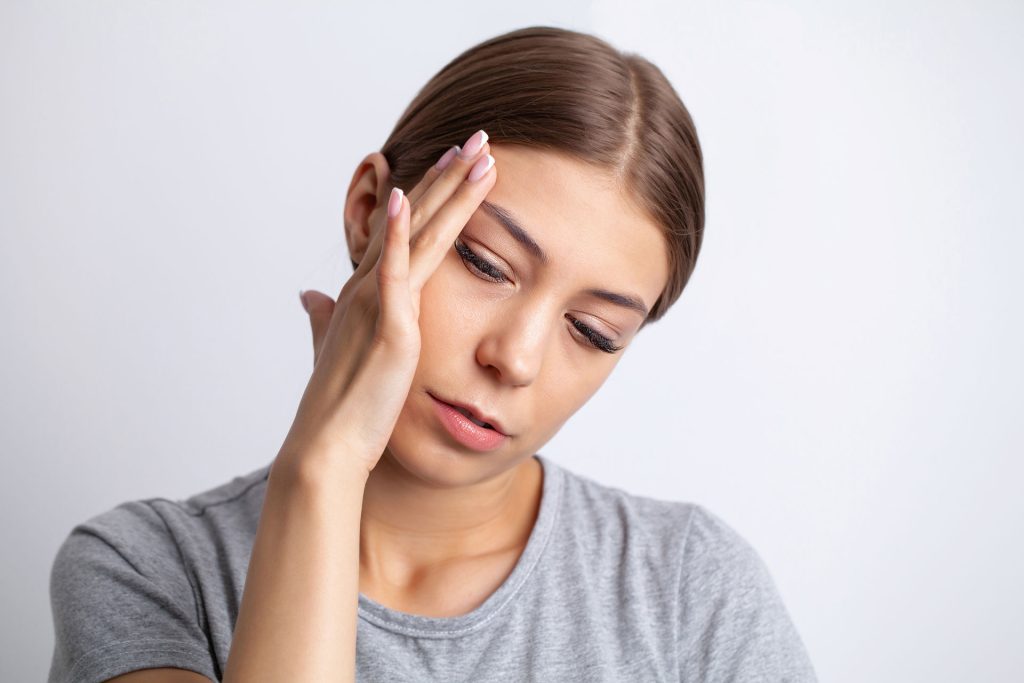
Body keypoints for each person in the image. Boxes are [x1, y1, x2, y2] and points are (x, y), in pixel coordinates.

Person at [47, 26, 817, 683]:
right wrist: (325, 463)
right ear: (366, 214)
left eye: (592, 332)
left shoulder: (693, 593)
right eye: (484, 263)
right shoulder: (145, 572)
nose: (515, 358)